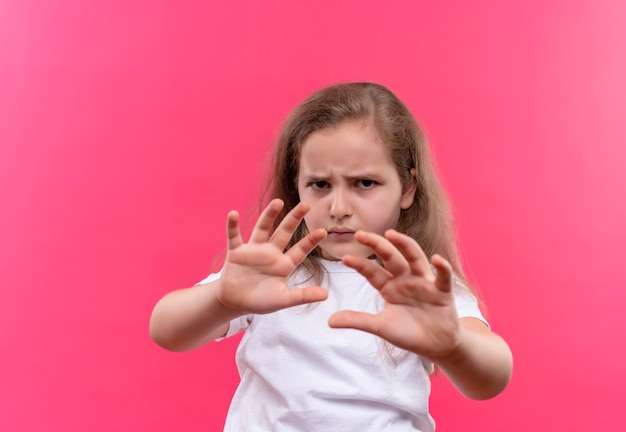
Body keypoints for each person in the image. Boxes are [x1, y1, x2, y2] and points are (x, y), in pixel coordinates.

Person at [150, 82, 513, 431]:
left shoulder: (422, 290)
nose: (338, 208)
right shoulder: (274, 273)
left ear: (408, 187)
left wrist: (453, 347)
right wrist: (221, 300)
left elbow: (491, 377)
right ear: (298, 185)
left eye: (364, 183)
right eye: (320, 185)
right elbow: (166, 330)